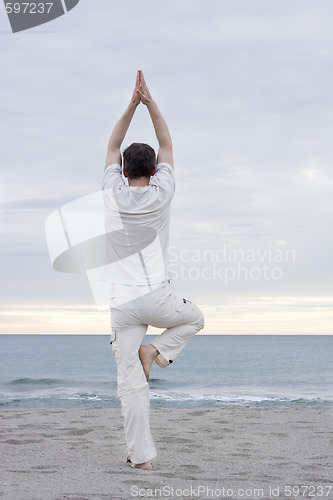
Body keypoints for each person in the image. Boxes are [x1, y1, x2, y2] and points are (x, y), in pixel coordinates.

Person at [102, 71, 204, 470]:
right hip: (158, 298)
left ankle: (141, 461)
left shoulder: (112, 193)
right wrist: (150, 103)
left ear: (125, 172)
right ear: (154, 170)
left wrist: (130, 104)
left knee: (130, 385)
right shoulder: (164, 192)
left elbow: (112, 144)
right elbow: (167, 143)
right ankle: (156, 351)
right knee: (194, 318)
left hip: (123, 304)